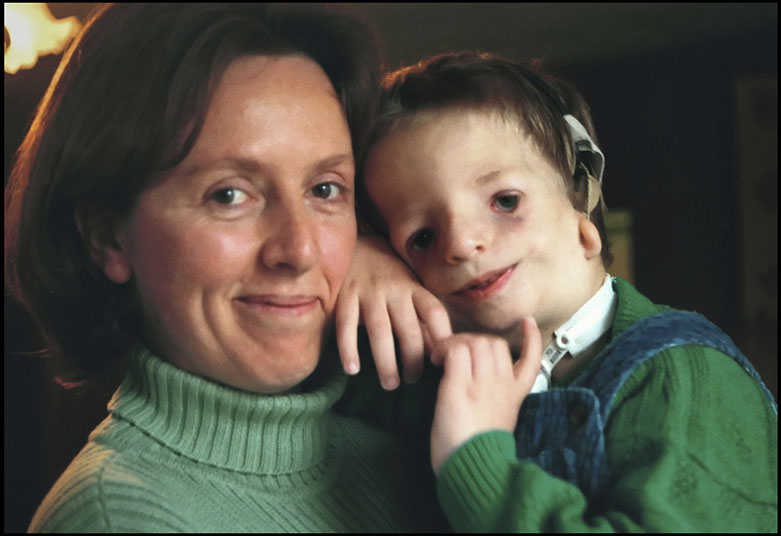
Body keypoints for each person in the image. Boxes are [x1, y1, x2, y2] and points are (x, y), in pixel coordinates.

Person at [5, 4, 449, 532]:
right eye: (230, 194)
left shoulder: (418, 440)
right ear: (107, 238)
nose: (301, 249)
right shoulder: (119, 517)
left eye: (324, 189)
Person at [338, 51, 778, 532]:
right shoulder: (433, 378)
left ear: (580, 202)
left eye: (505, 201)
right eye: (421, 238)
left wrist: (476, 459)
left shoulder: (685, 376)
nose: (462, 244)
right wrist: (353, 256)